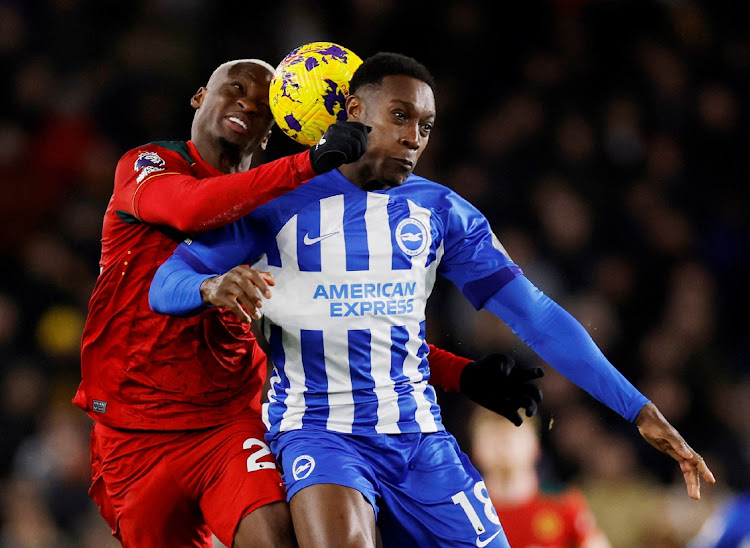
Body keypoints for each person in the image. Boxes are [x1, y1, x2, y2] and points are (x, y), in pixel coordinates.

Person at [149, 51, 714, 548]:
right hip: (319, 435)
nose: (413, 136)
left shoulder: (441, 212)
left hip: (421, 443)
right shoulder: (276, 201)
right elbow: (163, 284)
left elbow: (536, 316)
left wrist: (636, 409)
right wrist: (208, 286)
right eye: (399, 116)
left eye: (425, 124)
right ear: (353, 113)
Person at [72, 56, 538, 548]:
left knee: (277, 539)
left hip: (227, 421)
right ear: (198, 97)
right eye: (234, 89)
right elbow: (191, 209)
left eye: (261, 106)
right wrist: (309, 163)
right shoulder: (147, 165)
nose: (246, 104)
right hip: (131, 429)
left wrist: (463, 375)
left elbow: (349, 331)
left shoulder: (278, 214)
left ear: (274, 128)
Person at [468, 404, 611, 548]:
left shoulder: (564, 503)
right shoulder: (463, 511)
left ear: (536, 445)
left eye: (513, 432)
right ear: (475, 448)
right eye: (493, 435)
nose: (504, 443)